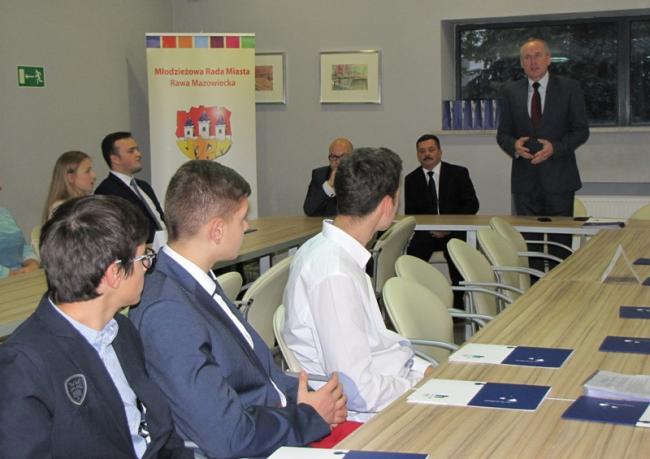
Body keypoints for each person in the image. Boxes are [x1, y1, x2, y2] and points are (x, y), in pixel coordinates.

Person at [129, 160, 348, 458]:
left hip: (272, 426)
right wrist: (308, 416)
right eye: (242, 218)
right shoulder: (167, 312)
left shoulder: (193, 280)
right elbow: (226, 436)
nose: (246, 226)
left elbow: (254, 376)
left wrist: (306, 396)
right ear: (217, 230)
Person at [0, 195, 192, 458]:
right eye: (143, 258)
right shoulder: (23, 365)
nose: (147, 267)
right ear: (114, 274)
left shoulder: (121, 331)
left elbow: (162, 434)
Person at [284, 147, 434, 420]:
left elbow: (377, 345)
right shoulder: (335, 274)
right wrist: (420, 386)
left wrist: (422, 370)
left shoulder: (336, 251)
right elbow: (356, 391)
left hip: (386, 390)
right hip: (366, 417)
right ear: (387, 205)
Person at [497, 38, 589, 266]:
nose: (533, 62)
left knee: (560, 248)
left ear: (548, 59)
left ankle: (560, 287)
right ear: (521, 63)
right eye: (527, 58)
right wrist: (514, 146)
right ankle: (535, 288)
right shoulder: (510, 91)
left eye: (537, 55)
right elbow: (503, 134)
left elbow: (581, 131)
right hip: (525, 183)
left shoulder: (569, 88)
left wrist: (555, 148)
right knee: (530, 249)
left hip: (560, 180)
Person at [404, 134, 479, 307]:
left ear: (440, 152)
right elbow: (412, 213)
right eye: (422, 151)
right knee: (413, 254)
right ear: (417, 155)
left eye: (431, 150)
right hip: (427, 233)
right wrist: (431, 228)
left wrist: (449, 227)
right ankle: (415, 302)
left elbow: (472, 205)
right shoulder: (411, 179)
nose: (427, 154)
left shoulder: (458, 173)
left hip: (454, 231)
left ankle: (458, 305)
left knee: (456, 254)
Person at [95, 132, 165, 243]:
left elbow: (160, 218)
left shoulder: (144, 186)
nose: (139, 154)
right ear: (115, 159)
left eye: (137, 149)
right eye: (131, 151)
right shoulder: (106, 191)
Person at [303, 137, 353, 217]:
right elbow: (309, 210)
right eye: (334, 157)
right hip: (328, 223)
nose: (338, 162)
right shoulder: (320, 175)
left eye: (343, 157)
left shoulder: (362, 175)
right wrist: (329, 185)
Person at [0, 179, 39, 278]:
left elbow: (22, 247)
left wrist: (32, 262)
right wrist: (8, 274)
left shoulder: (4, 214)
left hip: (20, 277)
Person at [43, 150, 97, 221]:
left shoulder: (85, 203)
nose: (94, 176)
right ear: (70, 177)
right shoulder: (61, 208)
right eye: (87, 171)